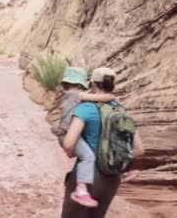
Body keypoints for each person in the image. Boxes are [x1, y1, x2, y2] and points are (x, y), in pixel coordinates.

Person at [61, 67, 145, 218]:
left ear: (92, 84)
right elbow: (139, 149)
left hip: (87, 179)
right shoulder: (121, 111)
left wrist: (71, 151)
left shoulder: (86, 107)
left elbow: (68, 143)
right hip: (112, 179)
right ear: (113, 85)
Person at [51, 67, 116, 208]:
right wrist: (112, 97)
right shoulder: (76, 95)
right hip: (66, 134)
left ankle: (81, 188)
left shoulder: (69, 94)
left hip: (66, 133)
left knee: (86, 155)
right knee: (88, 157)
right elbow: (102, 97)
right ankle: (81, 189)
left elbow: (69, 145)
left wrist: (69, 151)